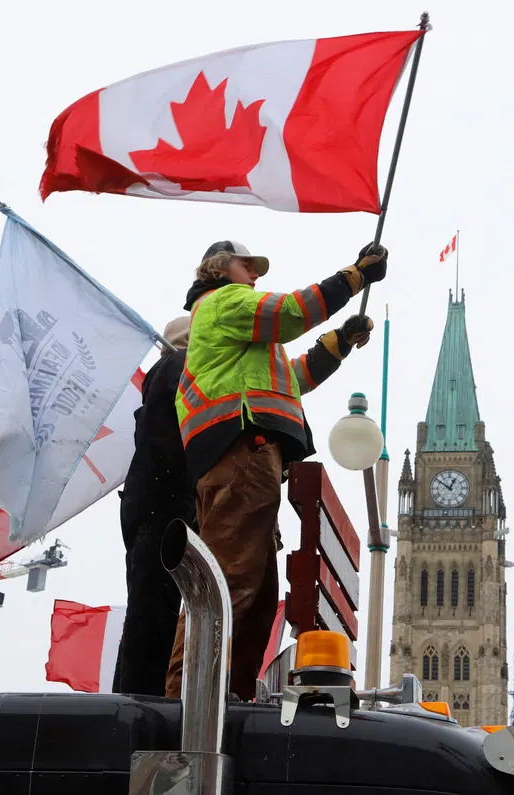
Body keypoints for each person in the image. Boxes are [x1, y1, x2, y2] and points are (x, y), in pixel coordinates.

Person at [165, 239, 387, 700]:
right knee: (230, 578)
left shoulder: (239, 343)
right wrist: (354, 277)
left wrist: (339, 342)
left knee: (258, 594)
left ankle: (232, 697)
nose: (255, 274)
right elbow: (289, 313)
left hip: (245, 456)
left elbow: (293, 378)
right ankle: (187, 699)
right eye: (248, 266)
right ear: (219, 269)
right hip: (242, 450)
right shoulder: (223, 301)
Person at [111, 316, 194, 696]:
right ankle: (142, 704)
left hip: (153, 504)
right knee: (154, 612)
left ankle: (136, 699)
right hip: (164, 505)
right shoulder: (179, 367)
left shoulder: (163, 374)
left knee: (150, 608)